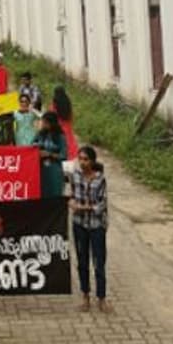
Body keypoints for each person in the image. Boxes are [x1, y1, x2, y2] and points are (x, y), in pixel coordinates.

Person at [70, 146, 109, 313]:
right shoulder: (75, 176)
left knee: (98, 263)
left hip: (96, 226)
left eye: (86, 159)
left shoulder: (100, 180)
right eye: (80, 159)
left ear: (92, 161)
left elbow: (102, 205)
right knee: (82, 262)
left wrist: (86, 208)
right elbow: (71, 195)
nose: (82, 162)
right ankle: (85, 296)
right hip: (79, 224)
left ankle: (101, 298)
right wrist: (71, 203)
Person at [34, 112, 68, 198]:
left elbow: (64, 155)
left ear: (52, 123)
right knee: (42, 192)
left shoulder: (60, 137)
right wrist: (37, 150)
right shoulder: (40, 134)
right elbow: (31, 145)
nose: (43, 124)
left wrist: (50, 154)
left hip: (54, 169)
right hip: (41, 169)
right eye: (43, 122)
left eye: (45, 122)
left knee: (54, 192)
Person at [50, 86, 79, 162]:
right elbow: (71, 115)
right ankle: (70, 158)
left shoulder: (55, 103)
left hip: (59, 127)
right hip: (67, 126)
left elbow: (52, 114)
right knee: (69, 142)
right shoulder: (67, 102)